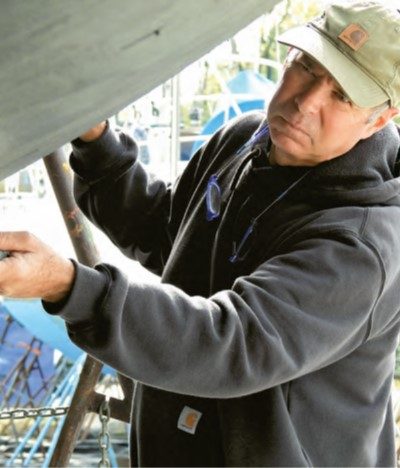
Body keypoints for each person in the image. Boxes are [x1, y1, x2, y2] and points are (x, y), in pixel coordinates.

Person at [0, 1, 400, 465]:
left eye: (342, 95)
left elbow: (231, 342)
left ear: (379, 119)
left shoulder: (363, 243)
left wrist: (69, 286)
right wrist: (95, 141)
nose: (306, 102)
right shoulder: (247, 140)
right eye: (307, 67)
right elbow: (165, 233)